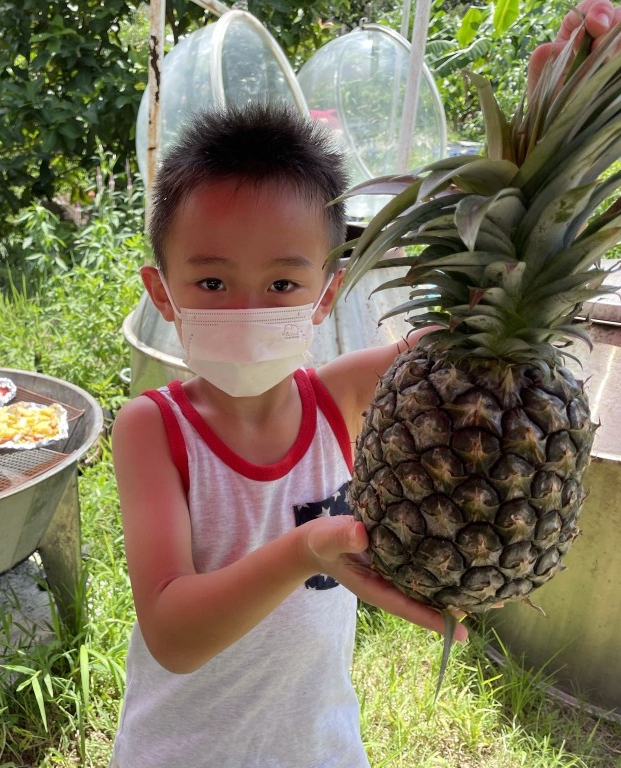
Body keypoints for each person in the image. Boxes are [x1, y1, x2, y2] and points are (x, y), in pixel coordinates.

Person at [109, 103, 467, 768]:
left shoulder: (345, 397)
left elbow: (467, 334)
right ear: (163, 294)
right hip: (183, 754)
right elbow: (173, 633)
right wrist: (307, 549)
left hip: (318, 749)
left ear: (325, 294)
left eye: (282, 283)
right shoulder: (153, 429)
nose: (248, 309)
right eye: (212, 281)